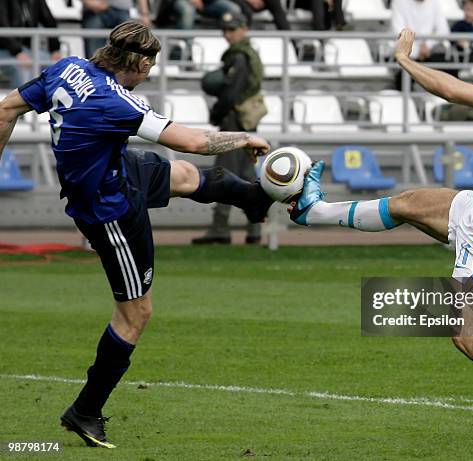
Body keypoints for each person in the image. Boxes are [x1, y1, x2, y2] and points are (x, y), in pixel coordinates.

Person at [290, 20, 473, 452]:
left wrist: (404, 59)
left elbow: (451, 91)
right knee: (411, 203)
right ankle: (313, 211)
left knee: (467, 335)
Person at [0, 21, 272, 448]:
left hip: (115, 168)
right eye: (151, 63)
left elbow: (5, 108)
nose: (150, 70)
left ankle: (253, 200)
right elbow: (194, 142)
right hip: (110, 211)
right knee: (136, 313)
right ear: (141, 61)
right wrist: (246, 137)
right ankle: (86, 411)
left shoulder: (67, 68)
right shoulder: (116, 102)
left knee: (181, 177)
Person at [193, 12, 265, 245]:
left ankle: (220, 229)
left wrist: (217, 113)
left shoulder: (240, 56)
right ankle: (255, 228)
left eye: (232, 29)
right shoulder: (247, 53)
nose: (228, 34)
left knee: (224, 175)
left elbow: (232, 92)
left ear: (244, 28)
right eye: (225, 30)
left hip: (235, 120)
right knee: (245, 175)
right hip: (246, 121)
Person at [0, 0, 62, 89]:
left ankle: (52, 100)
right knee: (22, 70)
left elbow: (49, 21)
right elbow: (2, 26)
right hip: (5, 49)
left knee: (55, 66)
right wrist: (18, 52)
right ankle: (21, 101)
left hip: (26, 50)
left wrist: (55, 50)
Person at [82, 0, 152, 58]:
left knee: (128, 54)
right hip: (94, 11)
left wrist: (144, 13)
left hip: (122, 10)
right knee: (93, 55)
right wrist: (89, 2)